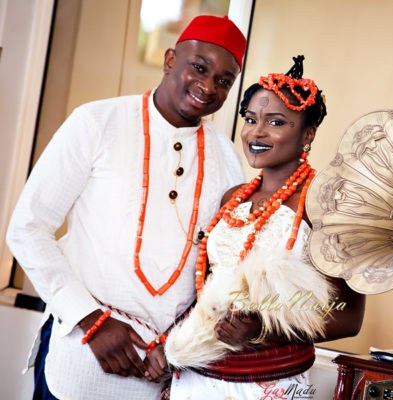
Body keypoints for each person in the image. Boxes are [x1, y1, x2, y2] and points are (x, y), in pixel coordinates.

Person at [6, 15, 247, 400]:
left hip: (165, 372)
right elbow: (27, 229)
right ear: (170, 59)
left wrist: (181, 347)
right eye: (198, 67)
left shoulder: (228, 159)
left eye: (223, 80)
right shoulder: (96, 122)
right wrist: (92, 322)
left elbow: (220, 269)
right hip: (80, 356)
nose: (207, 86)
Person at [164, 56, 366, 399]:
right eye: (251, 119)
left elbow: (349, 318)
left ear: (308, 134)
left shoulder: (325, 204)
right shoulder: (234, 198)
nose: (256, 132)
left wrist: (262, 328)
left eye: (276, 122)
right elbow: (207, 288)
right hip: (197, 379)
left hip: (268, 385)